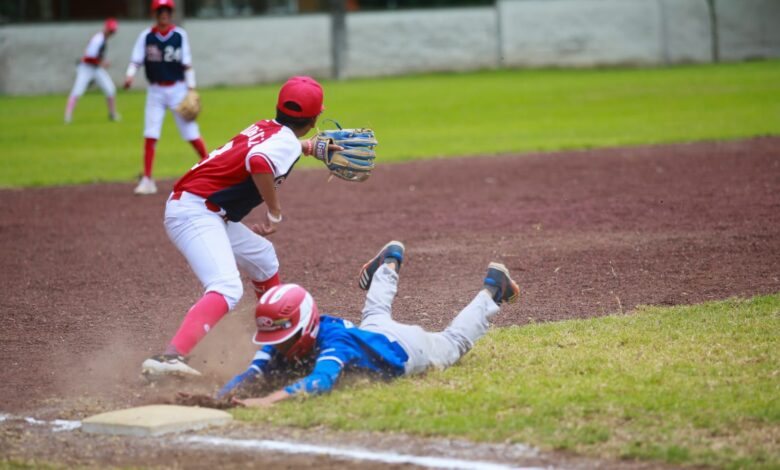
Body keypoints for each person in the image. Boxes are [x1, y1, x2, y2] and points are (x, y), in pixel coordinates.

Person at [140, 75, 341, 379]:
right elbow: (259, 160)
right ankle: (170, 358)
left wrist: (309, 148)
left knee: (263, 257)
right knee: (226, 285)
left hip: (200, 208)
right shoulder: (283, 143)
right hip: (195, 212)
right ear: (315, 119)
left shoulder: (267, 126)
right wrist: (274, 210)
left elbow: (270, 146)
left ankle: (281, 347)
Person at [215, 240, 520, 407]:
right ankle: (389, 262)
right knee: (374, 314)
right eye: (276, 339)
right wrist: (217, 398)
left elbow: (319, 382)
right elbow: (251, 374)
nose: (279, 345)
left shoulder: (335, 343)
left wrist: (268, 401)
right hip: (372, 335)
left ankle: (494, 288)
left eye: (286, 338)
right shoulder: (284, 338)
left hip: (407, 348)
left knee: (454, 342)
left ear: (306, 328)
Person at [124, 0, 209, 195]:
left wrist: (192, 89)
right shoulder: (146, 36)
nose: (164, 14)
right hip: (155, 91)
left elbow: (187, 64)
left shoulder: (179, 35)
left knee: (191, 133)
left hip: (178, 89)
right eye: (160, 10)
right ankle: (147, 179)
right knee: (150, 134)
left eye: (167, 10)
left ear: (171, 13)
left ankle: (211, 169)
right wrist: (129, 75)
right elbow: (136, 61)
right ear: (154, 13)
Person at [64, 18, 120, 124]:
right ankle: (68, 116)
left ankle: (112, 114)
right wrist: (102, 63)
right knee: (77, 91)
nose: (112, 33)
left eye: (113, 31)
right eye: (111, 30)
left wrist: (100, 63)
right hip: (86, 68)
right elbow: (89, 57)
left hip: (96, 68)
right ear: (106, 28)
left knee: (110, 89)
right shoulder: (98, 39)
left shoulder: (103, 39)